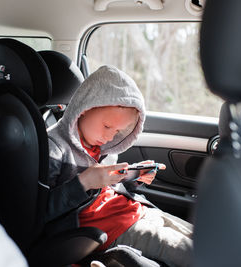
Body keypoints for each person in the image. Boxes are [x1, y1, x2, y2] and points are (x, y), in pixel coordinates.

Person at [45, 65, 192, 266]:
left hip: (137, 209)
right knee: (191, 253)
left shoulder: (103, 147)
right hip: (108, 227)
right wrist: (83, 182)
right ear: (83, 109)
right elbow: (41, 212)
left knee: (203, 238)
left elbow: (109, 189)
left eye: (117, 132)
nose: (108, 137)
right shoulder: (54, 149)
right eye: (107, 126)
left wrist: (133, 177)